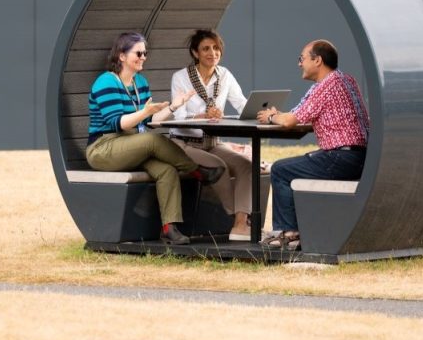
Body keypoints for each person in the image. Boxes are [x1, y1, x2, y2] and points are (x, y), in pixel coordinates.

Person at [86, 31, 225, 245]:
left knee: (166, 170)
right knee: (152, 140)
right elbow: (119, 123)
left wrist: (174, 106)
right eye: (138, 53)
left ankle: (169, 228)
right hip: (104, 146)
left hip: (133, 144)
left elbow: (150, 121)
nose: (143, 57)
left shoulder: (139, 82)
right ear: (121, 56)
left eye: (145, 53)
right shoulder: (106, 82)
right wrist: (144, 113)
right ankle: (197, 171)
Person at [256, 39, 370, 250]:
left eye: (302, 58)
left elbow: (290, 121)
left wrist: (271, 118)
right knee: (298, 164)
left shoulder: (325, 86)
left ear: (317, 60)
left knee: (281, 170)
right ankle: (293, 231)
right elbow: (301, 114)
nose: (300, 63)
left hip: (340, 158)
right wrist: (280, 115)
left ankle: (288, 234)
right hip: (361, 158)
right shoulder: (346, 80)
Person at [169, 29, 258, 242]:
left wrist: (261, 112)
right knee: (219, 165)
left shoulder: (225, 75)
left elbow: (241, 103)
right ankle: (238, 221)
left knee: (247, 165)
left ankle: (239, 224)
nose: (213, 53)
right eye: (206, 49)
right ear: (195, 53)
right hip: (185, 144)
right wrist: (202, 115)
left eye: (216, 48)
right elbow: (178, 118)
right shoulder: (180, 78)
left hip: (212, 142)